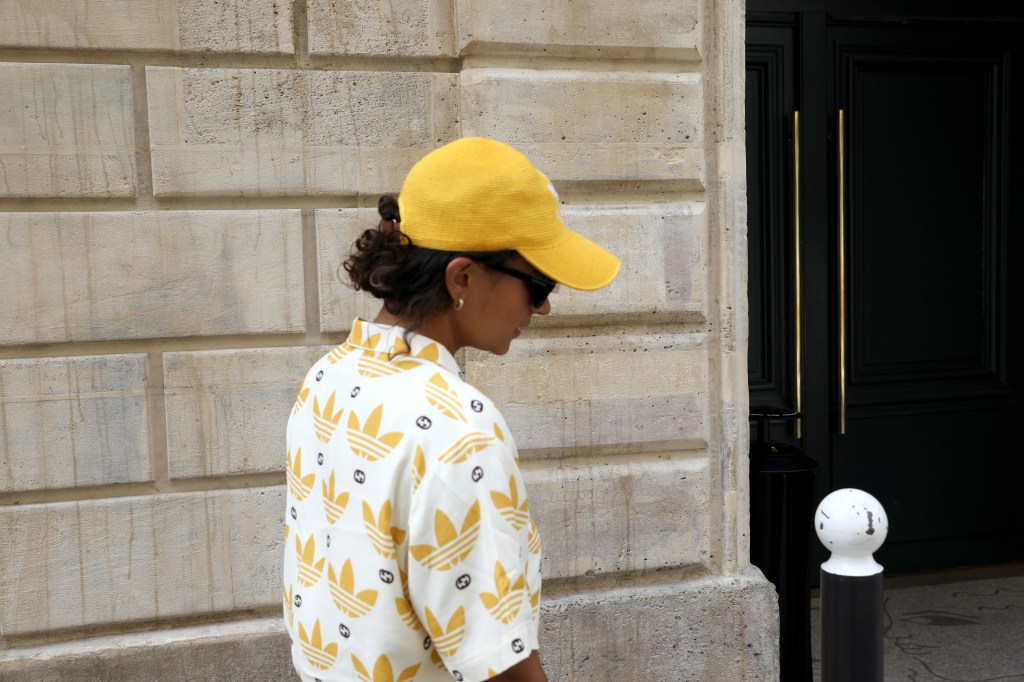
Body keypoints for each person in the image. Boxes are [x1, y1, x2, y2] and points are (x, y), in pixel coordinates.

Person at [282, 137, 620, 682]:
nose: (544, 307)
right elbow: (499, 660)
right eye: (539, 284)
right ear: (462, 277)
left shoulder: (327, 377)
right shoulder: (459, 426)